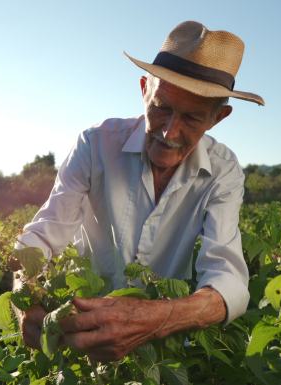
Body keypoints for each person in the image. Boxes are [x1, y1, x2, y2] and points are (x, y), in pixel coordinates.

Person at [14, 20, 264, 362]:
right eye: (161, 107)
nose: (170, 130)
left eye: (192, 118)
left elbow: (228, 280)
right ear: (145, 88)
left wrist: (156, 319)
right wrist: (27, 303)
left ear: (218, 118)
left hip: (160, 356)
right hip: (75, 338)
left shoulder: (222, 172)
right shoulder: (96, 144)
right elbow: (42, 236)